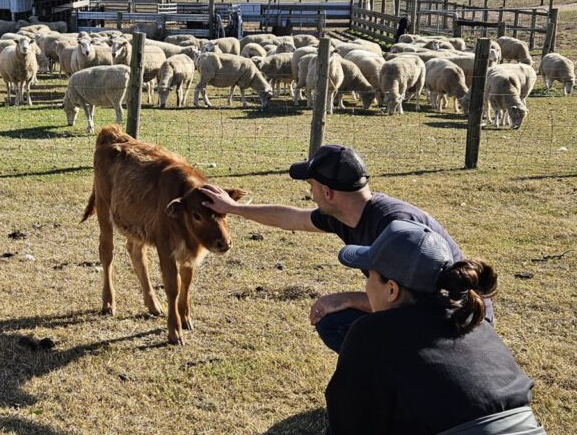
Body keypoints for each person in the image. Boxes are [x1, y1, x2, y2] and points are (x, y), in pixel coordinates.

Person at [305, 220, 576, 435]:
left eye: (367, 276)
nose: (365, 286)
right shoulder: (474, 323)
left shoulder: (371, 334)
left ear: (390, 289)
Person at [200, 144, 492, 353]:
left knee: (341, 319)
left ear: (328, 192)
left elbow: (417, 301)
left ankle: (403, 383)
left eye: (312, 186)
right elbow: (291, 218)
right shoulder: (346, 215)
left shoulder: (396, 226)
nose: (310, 193)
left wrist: (349, 298)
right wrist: (234, 208)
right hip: (425, 311)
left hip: (456, 320)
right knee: (336, 323)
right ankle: (389, 379)